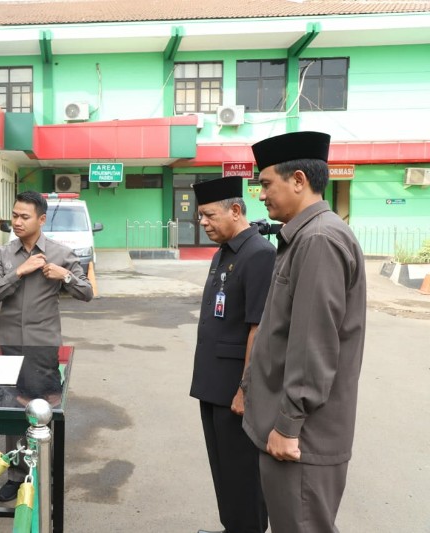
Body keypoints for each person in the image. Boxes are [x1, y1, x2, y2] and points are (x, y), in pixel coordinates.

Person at [243, 131, 367, 532]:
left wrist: (288, 424)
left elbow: (313, 344)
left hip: (301, 440)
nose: (260, 195)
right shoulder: (304, 236)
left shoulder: (318, 239)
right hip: (292, 432)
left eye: (266, 184)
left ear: (298, 179)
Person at [0, 190, 93, 501]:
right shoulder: (3, 254)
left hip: (42, 347)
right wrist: (19, 271)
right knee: (10, 410)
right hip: (9, 346)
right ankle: (16, 475)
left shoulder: (59, 253)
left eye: (24, 217)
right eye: (14, 215)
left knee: (42, 413)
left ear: (41, 220)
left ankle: (43, 476)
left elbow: (86, 292)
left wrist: (65, 275)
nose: (16, 222)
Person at [190, 176, 274, 533]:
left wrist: (245, 388)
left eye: (209, 216)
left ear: (236, 210)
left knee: (243, 474)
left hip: (235, 390)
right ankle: (232, 527)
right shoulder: (226, 251)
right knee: (223, 470)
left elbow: (258, 328)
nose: (203, 223)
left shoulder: (259, 255)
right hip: (213, 384)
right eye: (200, 217)